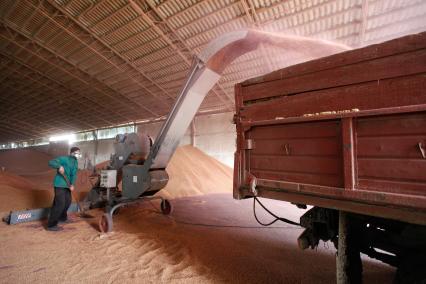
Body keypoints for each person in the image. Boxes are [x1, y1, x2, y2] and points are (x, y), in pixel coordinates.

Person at [46, 146, 81, 231]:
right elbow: (51, 162)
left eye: (79, 153)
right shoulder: (64, 159)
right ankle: (51, 225)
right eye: (77, 153)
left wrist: (72, 184)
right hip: (60, 184)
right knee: (60, 204)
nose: (78, 154)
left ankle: (62, 218)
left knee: (68, 202)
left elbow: (74, 174)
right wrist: (59, 166)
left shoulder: (75, 162)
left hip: (67, 185)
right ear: (72, 153)